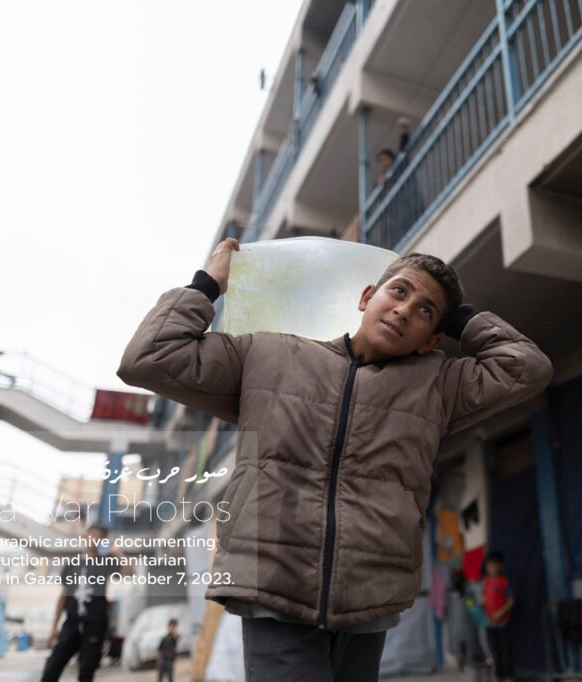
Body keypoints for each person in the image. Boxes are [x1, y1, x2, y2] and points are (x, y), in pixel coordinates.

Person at [117, 240, 553, 681]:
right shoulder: (266, 356)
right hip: (273, 587)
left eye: (425, 311)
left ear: (432, 340)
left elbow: (526, 367)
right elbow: (149, 357)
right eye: (399, 291)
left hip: (369, 601)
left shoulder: (439, 386)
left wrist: (459, 315)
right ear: (367, 297)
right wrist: (210, 283)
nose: (404, 310)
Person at [40, 524, 133, 682]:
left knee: (87, 670)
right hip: (71, 623)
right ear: (85, 536)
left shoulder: (106, 562)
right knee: (52, 669)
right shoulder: (72, 563)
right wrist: (54, 627)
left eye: (100, 537)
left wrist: (118, 553)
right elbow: (63, 596)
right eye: (93, 534)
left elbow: (129, 573)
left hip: (94, 624)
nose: (95, 539)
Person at [482, 551, 515, 682]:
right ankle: (497, 676)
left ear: (500, 566)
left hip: (503, 624)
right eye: (488, 565)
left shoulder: (504, 582)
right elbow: (485, 600)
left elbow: (511, 601)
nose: (490, 568)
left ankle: (509, 677)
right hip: (490, 624)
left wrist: (500, 613)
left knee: (505, 652)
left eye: (493, 565)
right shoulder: (486, 582)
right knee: (494, 652)